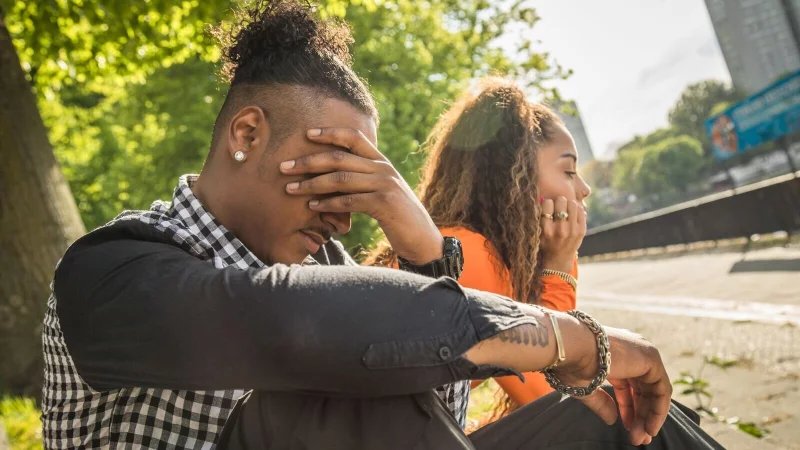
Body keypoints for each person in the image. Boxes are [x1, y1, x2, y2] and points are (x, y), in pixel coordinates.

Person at [41, 2, 722, 449]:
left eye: (362, 187)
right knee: (345, 389)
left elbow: (435, 419)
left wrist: (423, 247)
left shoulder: (327, 266)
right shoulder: (112, 271)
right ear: (247, 134)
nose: (344, 215)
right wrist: (572, 338)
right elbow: (301, 325)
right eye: (333, 175)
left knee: (617, 418)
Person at [420, 79, 591, 422]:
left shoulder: (463, 244)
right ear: (515, 177)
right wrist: (560, 265)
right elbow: (550, 397)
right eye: (569, 171)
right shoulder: (467, 252)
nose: (583, 189)